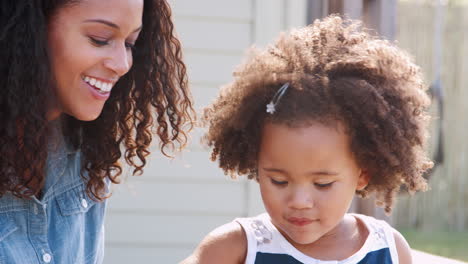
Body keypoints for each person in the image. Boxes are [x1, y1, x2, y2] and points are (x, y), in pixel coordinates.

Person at [181, 15, 432, 264]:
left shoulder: (388, 250)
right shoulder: (236, 249)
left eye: (322, 184)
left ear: (363, 174)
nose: (299, 202)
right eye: (278, 181)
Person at [0, 0, 193, 263]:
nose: (123, 64)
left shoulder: (85, 152)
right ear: (28, 30)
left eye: (129, 43)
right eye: (99, 39)